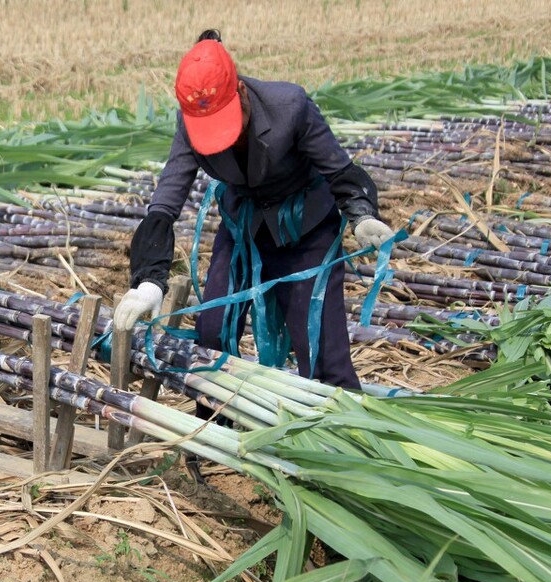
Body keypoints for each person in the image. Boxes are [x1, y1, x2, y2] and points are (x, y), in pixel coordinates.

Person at [114, 31, 393, 390]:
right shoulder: (189, 122)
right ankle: (215, 434)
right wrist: (149, 279)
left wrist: (361, 214)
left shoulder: (290, 106)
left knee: (323, 353)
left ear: (241, 92)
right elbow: (167, 198)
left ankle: (339, 434)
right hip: (243, 229)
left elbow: (337, 168)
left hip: (306, 231)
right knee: (213, 335)